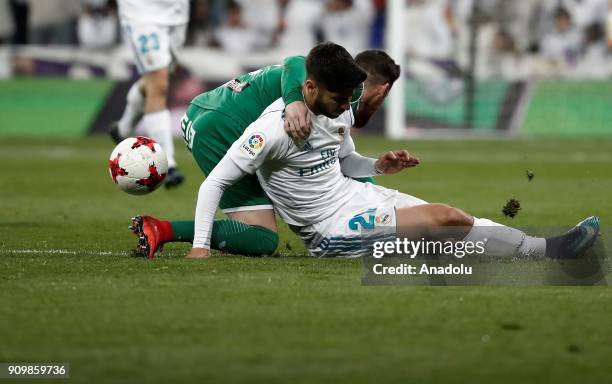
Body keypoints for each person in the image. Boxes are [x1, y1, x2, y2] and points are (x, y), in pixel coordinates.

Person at [186, 42, 600, 259]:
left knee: (452, 223)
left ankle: (533, 249)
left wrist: (379, 166)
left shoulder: (339, 108)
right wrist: (200, 247)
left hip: (358, 198)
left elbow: (344, 159)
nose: (348, 104)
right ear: (309, 88)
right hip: (331, 230)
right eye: (341, 96)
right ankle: (546, 252)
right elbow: (215, 182)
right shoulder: (271, 130)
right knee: (444, 219)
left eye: (352, 95)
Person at [130, 47, 401, 258]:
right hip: (220, 127)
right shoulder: (331, 90)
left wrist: (376, 168)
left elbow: (342, 163)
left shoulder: (332, 84)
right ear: (382, 91)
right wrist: (294, 102)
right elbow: (295, 60)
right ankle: (163, 229)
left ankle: (376, 226)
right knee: (262, 238)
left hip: (212, 109)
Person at [109, 0, 190, 188]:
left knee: (157, 80)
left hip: (177, 13)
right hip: (141, 11)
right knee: (158, 82)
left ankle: (123, 128)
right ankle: (168, 163)